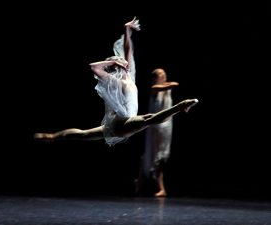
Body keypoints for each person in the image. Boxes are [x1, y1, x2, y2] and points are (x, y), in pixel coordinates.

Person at [34, 18, 199, 146]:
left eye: (123, 61)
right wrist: (112, 63)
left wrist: (127, 30)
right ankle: (181, 106)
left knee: (83, 134)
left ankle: (52, 136)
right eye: (120, 62)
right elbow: (94, 67)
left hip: (119, 122)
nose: (125, 61)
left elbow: (129, 49)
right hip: (123, 123)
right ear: (117, 66)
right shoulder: (113, 81)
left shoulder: (129, 74)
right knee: (149, 119)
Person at [136, 68, 179, 197]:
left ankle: (152, 186)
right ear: (156, 78)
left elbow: (174, 84)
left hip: (166, 127)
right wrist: (166, 84)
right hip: (155, 127)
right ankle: (143, 183)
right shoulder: (155, 88)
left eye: (164, 74)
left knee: (159, 157)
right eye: (162, 75)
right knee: (150, 154)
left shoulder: (166, 88)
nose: (164, 76)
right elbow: (171, 85)